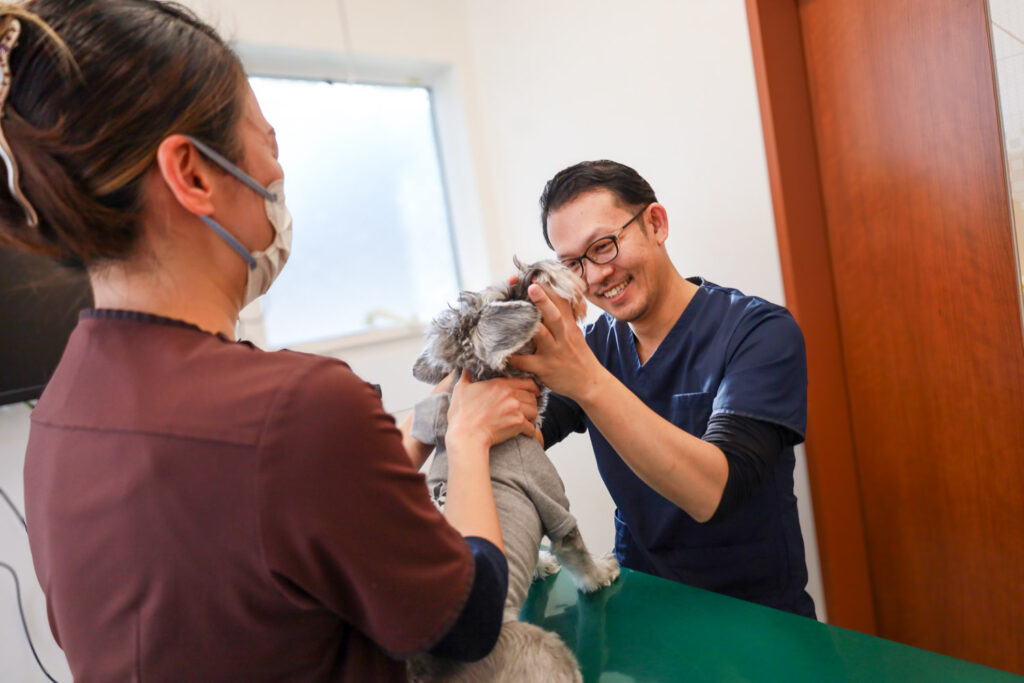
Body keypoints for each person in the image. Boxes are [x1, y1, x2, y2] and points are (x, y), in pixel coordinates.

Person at [0, 1, 540, 680]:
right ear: (192, 174)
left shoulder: (60, 410)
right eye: (268, 143)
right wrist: (465, 438)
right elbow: (468, 618)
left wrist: (396, 440)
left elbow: (260, 538)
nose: (278, 176)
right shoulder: (299, 404)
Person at [510, 160, 816, 618]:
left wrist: (588, 382)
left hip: (756, 618)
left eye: (604, 246)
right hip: (641, 607)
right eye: (573, 264)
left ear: (656, 223)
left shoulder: (759, 332)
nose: (594, 277)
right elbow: (516, 433)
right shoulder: (592, 350)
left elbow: (711, 492)